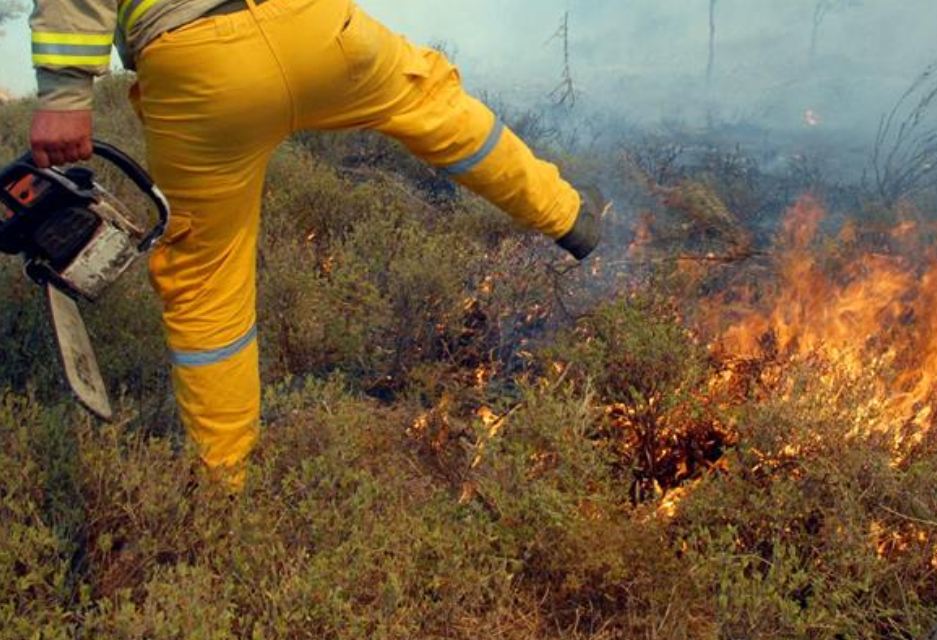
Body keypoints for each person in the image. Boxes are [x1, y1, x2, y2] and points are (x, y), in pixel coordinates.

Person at [27, 0, 601, 485]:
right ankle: (567, 215)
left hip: (197, 62)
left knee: (204, 280)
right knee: (430, 100)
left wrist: (63, 98)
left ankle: (226, 482)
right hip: (315, 28)